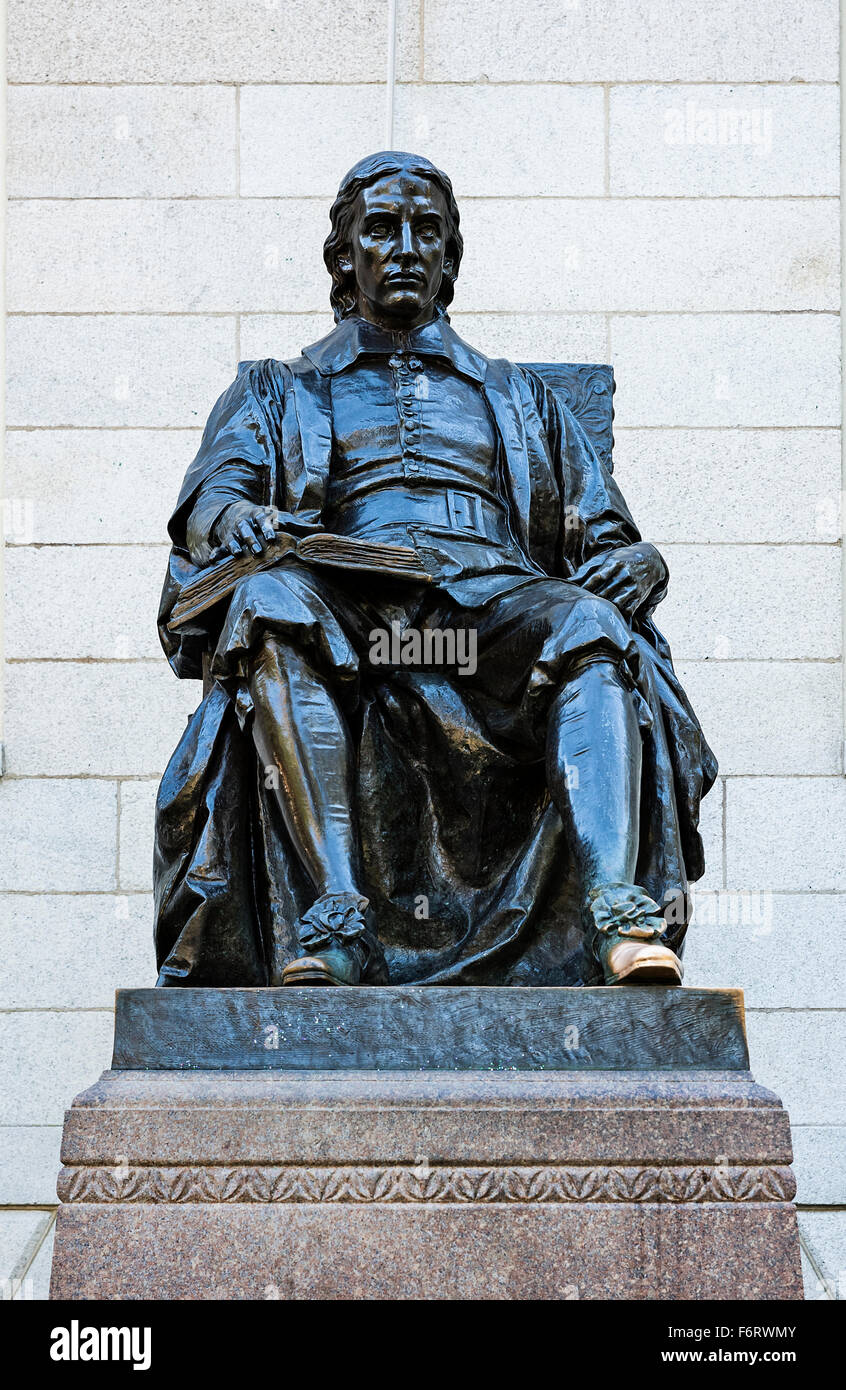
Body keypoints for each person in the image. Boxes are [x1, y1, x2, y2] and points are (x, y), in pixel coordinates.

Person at [155, 151, 717, 990]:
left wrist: (645, 559)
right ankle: (335, 916)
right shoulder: (278, 388)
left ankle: (619, 914)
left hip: (491, 613)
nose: (408, 247)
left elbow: (602, 534)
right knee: (270, 602)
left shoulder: (520, 397)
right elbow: (214, 499)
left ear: (452, 259)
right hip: (352, 614)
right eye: (382, 230)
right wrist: (237, 520)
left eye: (429, 231)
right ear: (346, 259)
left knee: (591, 623)